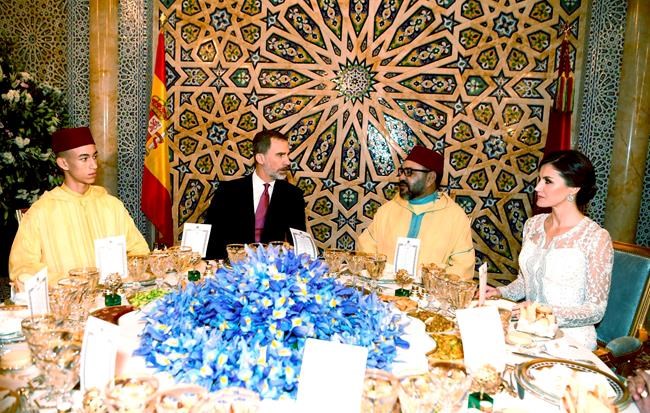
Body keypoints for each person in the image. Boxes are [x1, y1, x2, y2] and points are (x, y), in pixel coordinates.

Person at [485, 150, 613, 350]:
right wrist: (500, 292)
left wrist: (541, 311)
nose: (537, 187)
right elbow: (525, 282)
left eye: (548, 181)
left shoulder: (595, 237)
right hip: (526, 331)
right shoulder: (533, 225)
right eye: (539, 179)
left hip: (570, 340)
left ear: (573, 188)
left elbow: (595, 311)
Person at [9, 127, 149, 288]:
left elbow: (139, 251)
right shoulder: (41, 211)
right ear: (63, 163)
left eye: (94, 156)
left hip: (115, 296)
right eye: (84, 159)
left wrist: (127, 272)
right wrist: (68, 282)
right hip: (67, 300)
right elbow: (22, 268)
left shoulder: (111, 205)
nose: (94, 165)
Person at [358, 145, 475, 279]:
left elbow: (462, 268)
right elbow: (366, 249)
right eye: (402, 171)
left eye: (409, 172)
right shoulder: (387, 211)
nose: (401, 177)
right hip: (383, 289)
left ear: (430, 178)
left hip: (430, 291)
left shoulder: (456, 218)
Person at [205, 129, 306, 260]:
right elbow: (211, 242)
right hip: (232, 268)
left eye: (287, 155)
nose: (287, 161)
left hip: (273, 269)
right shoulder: (227, 192)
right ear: (260, 158)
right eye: (280, 155)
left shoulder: (293, 196)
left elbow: (300, 246)